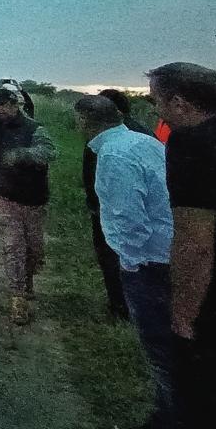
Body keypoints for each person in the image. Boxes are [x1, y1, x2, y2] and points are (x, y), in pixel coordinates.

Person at [149, 62, 216, 429]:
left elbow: (195, 242)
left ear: (179, 103)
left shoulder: (190, 142)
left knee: (204, 401)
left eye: (157, 102)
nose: (156, 111)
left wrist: (182, 315)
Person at [74, 94, 175, 429]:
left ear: (84, 121)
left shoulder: (113, 156)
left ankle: (174, 414)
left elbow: (128, 219)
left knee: (160, 347)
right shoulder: (144, 141)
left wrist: (128, 263)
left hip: (147, 261)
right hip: (169, 249)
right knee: (174, 343)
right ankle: (172, 406)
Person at [0, 86, 57, 325]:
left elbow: (50, 152)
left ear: (16, 105)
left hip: (33, 198)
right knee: (14, 247)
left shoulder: (34, 128)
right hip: (3, 196)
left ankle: (27, 279)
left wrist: (22, 154)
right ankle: (17, 296)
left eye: (4, 104)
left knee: (34, 249)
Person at [82, 88, 152, 320]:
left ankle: (122, 308)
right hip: (111, 207)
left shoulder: (113, 144)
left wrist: (98, 205)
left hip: (114, 209)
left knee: (116, 257)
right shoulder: (142, 134)